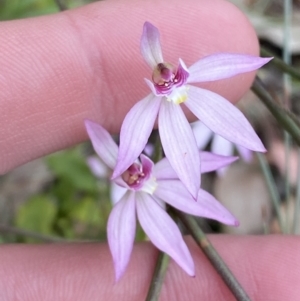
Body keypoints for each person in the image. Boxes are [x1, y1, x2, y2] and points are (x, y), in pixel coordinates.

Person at [0, 0, 299, 299]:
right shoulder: (141, 119)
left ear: (178, 69)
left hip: (174, 135)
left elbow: (240, 66)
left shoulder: (186, 87)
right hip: (149, 167)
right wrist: (123, 166)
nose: (168, 80)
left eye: (171, 75)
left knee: (199, 183)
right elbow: (127, 144)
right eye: (163, 79)